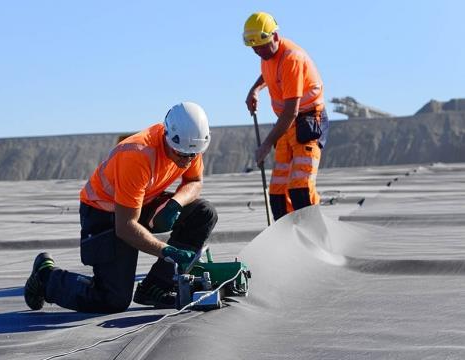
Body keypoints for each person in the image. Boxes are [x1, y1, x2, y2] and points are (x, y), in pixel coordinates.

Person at [23, 102, 218, 313]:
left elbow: (195, 181)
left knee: (203, 213)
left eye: (193, 155)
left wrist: (175, 203)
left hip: (141, 203)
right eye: (181, 154)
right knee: (112, 299)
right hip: (104, 214)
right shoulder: (138, 154)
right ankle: (45, 277)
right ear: (168, 137)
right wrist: (167, 251)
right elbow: (125, 226)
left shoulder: (189, 144)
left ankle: (156, 286)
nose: (186, 160)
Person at [243, 12, 329, 221]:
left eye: (262, 46)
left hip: (307, 122)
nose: (259, 51)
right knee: (278, 195)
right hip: (286, 125)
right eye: (254, 48)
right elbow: (269, 73)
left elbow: (291, 110)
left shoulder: (291, 58)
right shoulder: (267, 55)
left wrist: (266, 145)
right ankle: (288, 240)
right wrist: (255, 89)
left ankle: (315, 241)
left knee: (300, 189)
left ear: (275, 36)